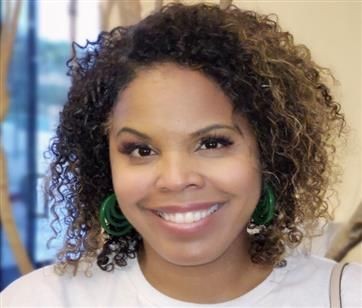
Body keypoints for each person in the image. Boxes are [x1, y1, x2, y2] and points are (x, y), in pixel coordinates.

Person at [1, 2, 361, 307]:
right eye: (141, 150)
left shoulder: (344, 296)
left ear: (270, 152)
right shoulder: (42, 300)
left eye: (212, 143)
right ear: (104, 163)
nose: (175, 178)